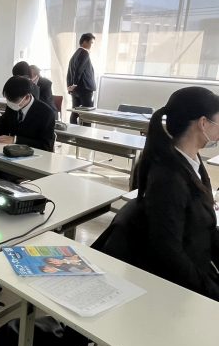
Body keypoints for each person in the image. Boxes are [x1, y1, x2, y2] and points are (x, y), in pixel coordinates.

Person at [92, 87, 219, 301]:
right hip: (181, 287)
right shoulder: (169, 178)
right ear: (203, 123)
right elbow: (170, 253)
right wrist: (211, 291)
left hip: (197, 265)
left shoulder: (190, 160)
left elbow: (204, 229)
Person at [67, 33, 96, 125]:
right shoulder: (84, 53)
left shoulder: (75, 54)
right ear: (84, 42)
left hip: (76, 90)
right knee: (87, 114)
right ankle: (86, 132)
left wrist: (70, 86)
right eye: (91, 42)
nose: (91, 45)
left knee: (75, 112)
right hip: (85, 88)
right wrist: (74, 84)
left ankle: (73, 130)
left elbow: (69, 72)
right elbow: (79, 70)